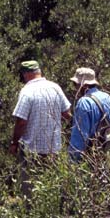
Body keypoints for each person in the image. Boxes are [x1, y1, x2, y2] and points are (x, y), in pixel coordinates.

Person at [10, 61, 71, 196]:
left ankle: (30, 213)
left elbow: (21, 122)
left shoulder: (27, 91)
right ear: (39, 72)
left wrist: (14, 143)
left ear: (26, 74)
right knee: (51, 183)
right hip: (53, 147)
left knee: (30, 185)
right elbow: (67, 114)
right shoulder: (55, 87)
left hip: (32, 149)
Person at [68, 67, 110, 162]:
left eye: (75, 84)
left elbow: (80, 136)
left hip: (90, 156)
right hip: (106, 151)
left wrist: (73, 160)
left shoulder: (83, 102)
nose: (75, 87)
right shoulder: (107, 97)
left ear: (84, 85)